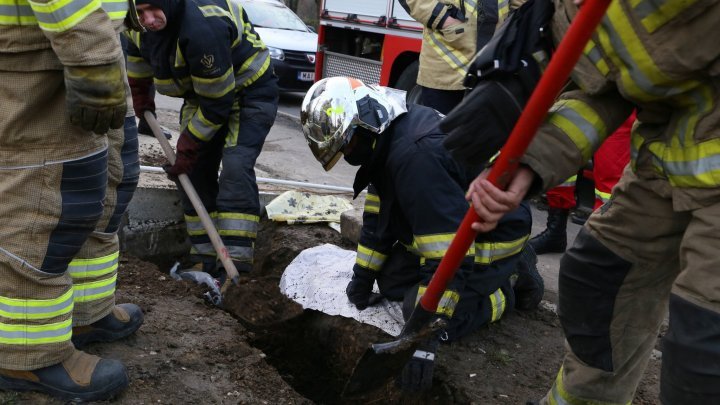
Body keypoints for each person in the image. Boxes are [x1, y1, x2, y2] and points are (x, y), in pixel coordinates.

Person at [464, 0, 720, 402]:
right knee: (601, 278)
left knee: (704, 355)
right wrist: (530, 160)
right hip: (667, 157)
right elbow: (601, 86)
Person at [300, 76, 543, 392]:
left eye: (347, 145)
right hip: (451, 228)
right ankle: (494, 280)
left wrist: (424, 336)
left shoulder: (414, 156)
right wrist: (362, 278)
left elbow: (449, 253)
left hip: (491, 235)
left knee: (423, 310)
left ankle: (507, 287)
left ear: (363, 122)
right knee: (390, 282)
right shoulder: (386, 141)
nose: (348, 154)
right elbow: (377, 221)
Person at [0, 0, 145, 401]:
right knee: (45, 204)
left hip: (86, 41)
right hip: (35, 56)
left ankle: (85, 314)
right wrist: (93, 56)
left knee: (107, 185)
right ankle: (26, 353)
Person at [124, 0, 279, 275]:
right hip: (201, 94)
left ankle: (237, 266)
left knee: (235, 166)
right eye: (140, 12)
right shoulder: (134, 22)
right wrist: (141, 93)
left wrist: (188, 146)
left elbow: (217, 104)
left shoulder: (201, 28)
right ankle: (205, 256)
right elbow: (135, 53)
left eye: (153, 10)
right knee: (193, 172)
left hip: (249, 92)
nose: (148, 20)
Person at [530, 112, 634, 254]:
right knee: (561, 158)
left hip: (625, 106)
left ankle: (600, 246)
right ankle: (555, 232)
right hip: (583, 96)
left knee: (609, 179)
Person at [400, 0, 526, 114]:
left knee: (481, 137)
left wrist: (514, 24)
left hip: (491, 67)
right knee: (441, 136)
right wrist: (443, 19)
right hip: (444, 70)